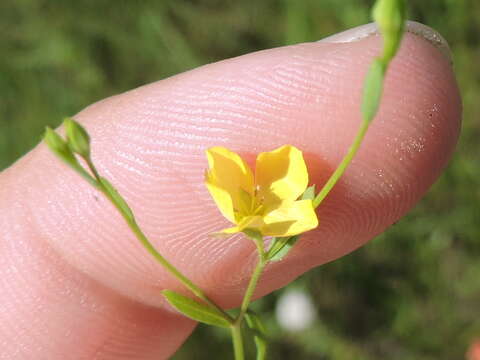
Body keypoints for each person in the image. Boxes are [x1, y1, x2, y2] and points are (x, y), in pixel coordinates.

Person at [0, 22, 461, 359]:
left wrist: (261, 221)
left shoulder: (277, 222)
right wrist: (256, 219)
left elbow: (293, 207)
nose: (255, 208)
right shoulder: (249, 210)